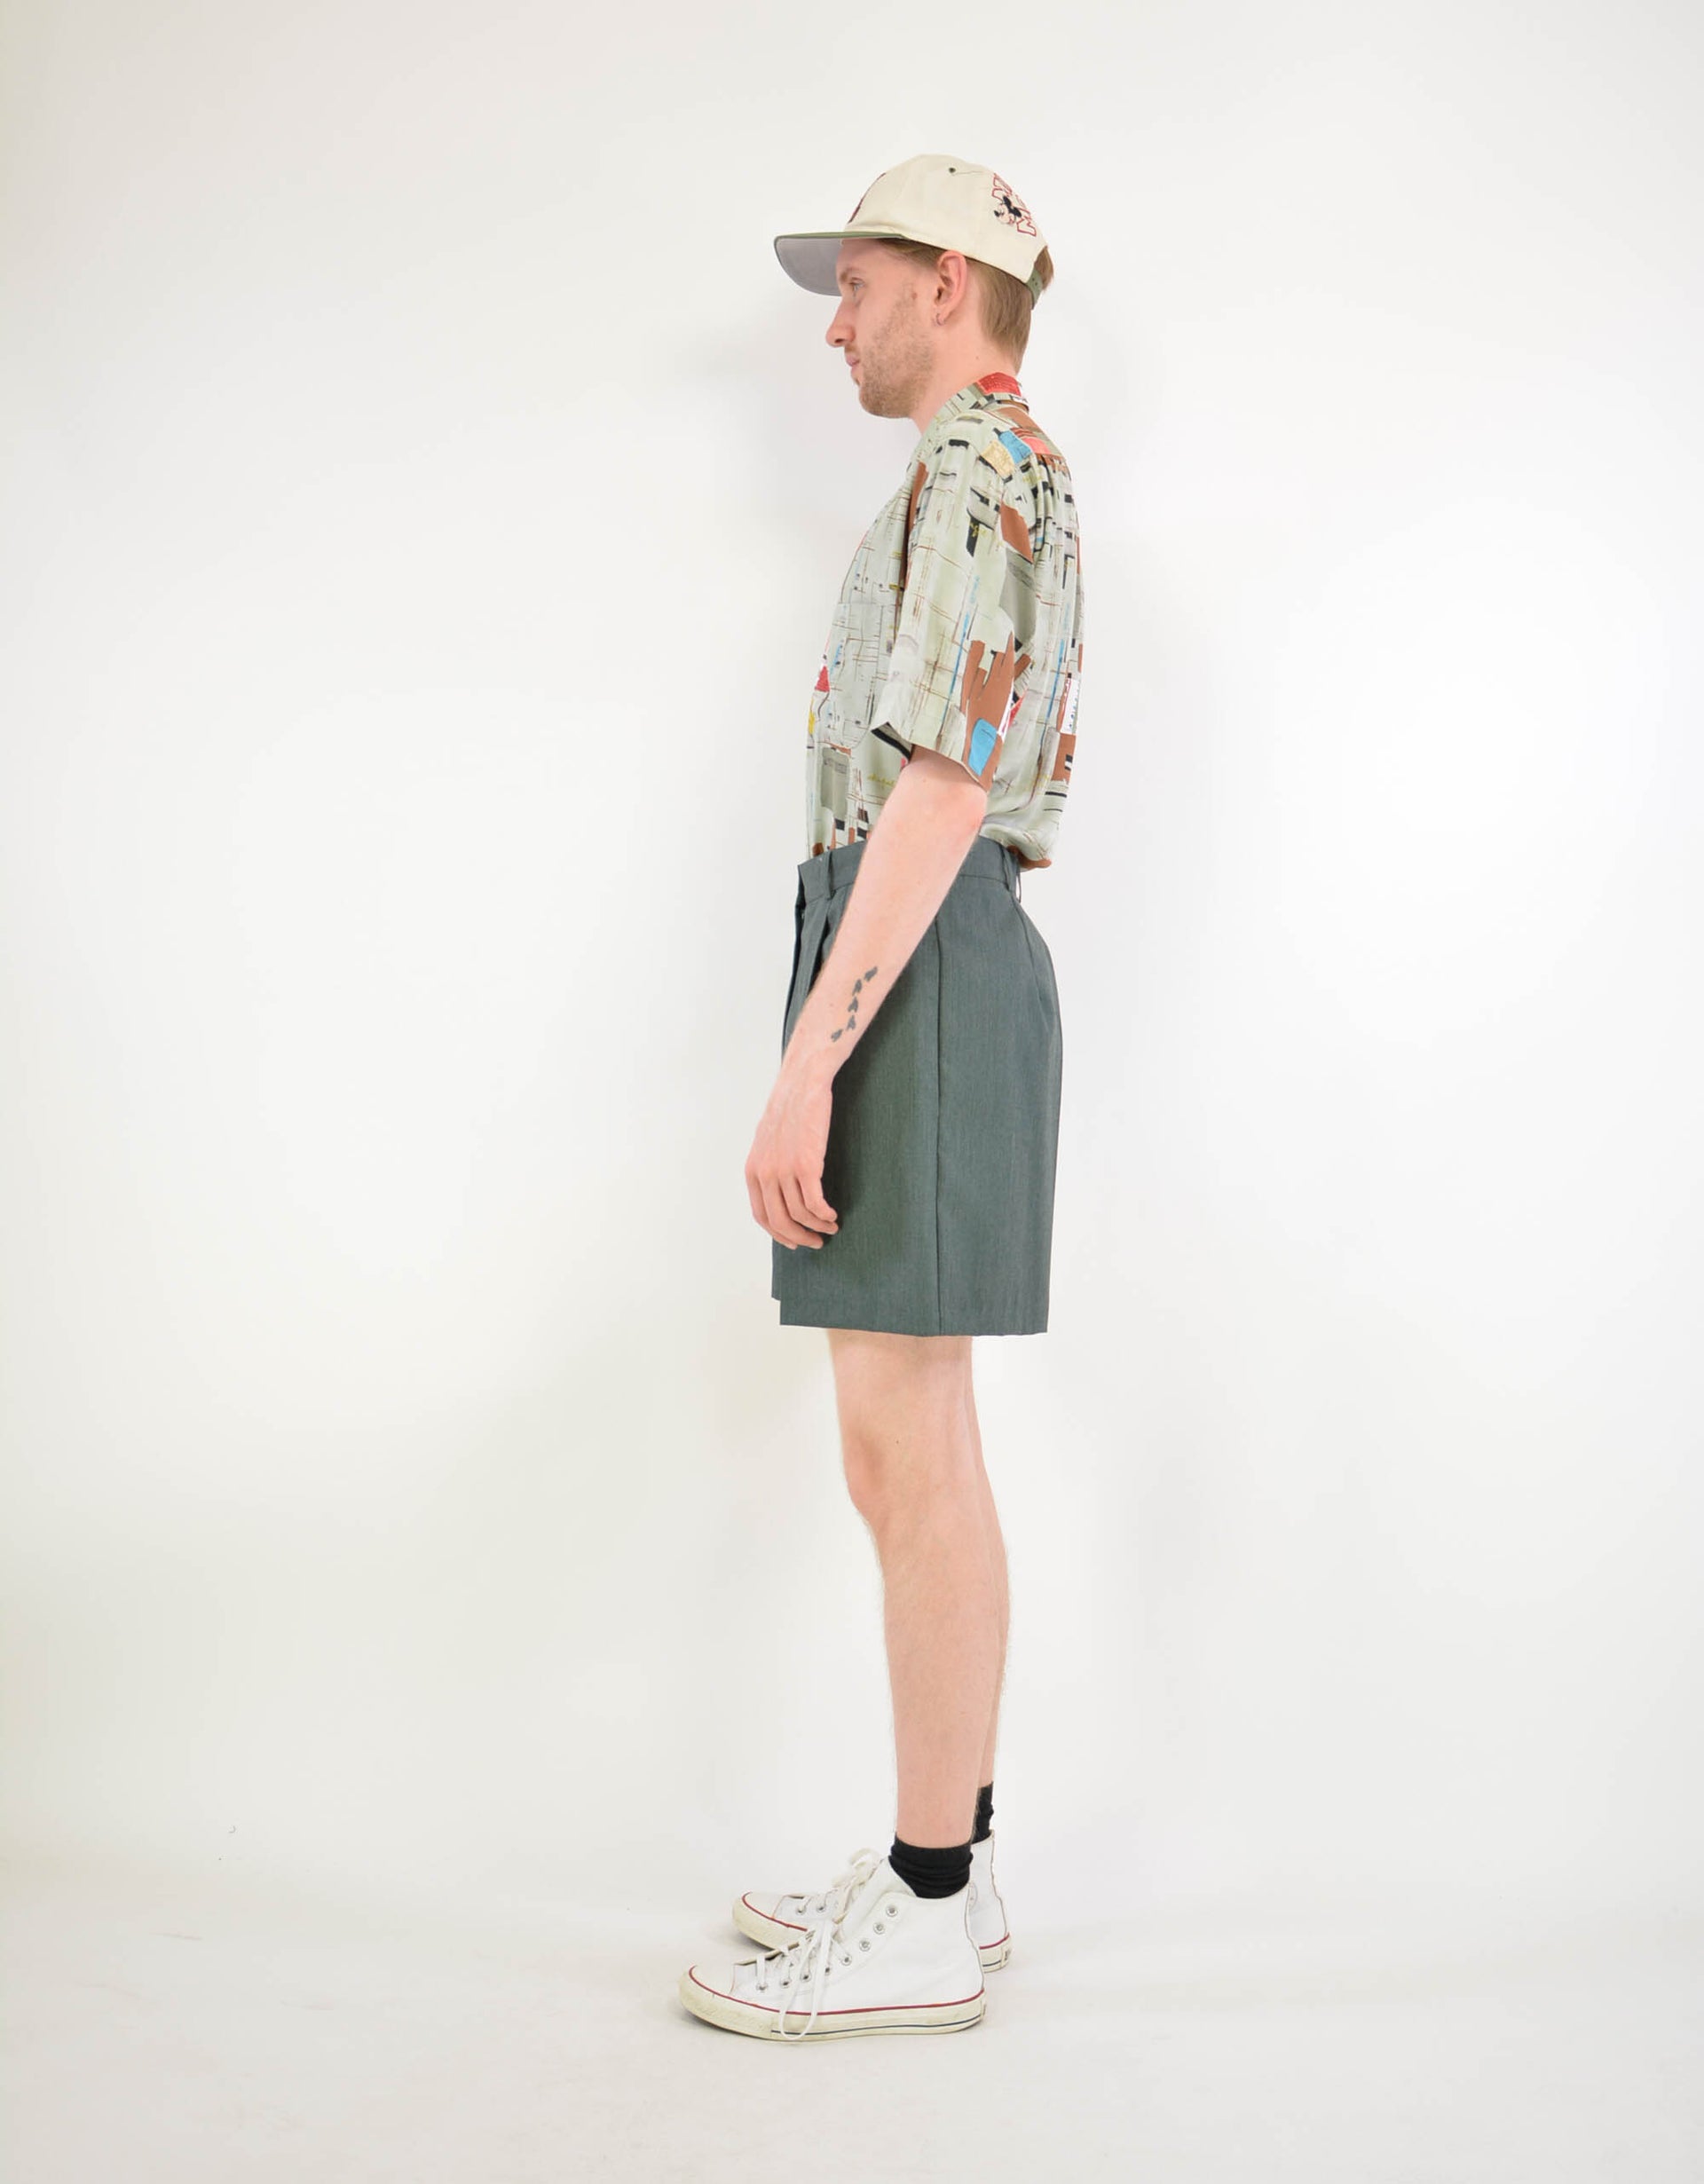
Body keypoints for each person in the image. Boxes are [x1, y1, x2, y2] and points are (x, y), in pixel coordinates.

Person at [677, 153, 1085, 2041]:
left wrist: (810, 1060)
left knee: (904, 1448)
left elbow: (940, 787)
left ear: (946, 281)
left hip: (914, 953)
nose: (831, 323)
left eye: (853, 284)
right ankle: (954, 1866)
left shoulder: (982, 466)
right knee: (906, 1444)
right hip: (911, 948)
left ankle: (922, 1911)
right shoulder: (971, 474)